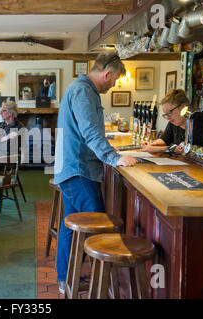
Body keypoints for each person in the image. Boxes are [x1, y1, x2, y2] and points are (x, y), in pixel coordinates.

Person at [53, 52, 137, 294]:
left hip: (72, 169)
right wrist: (114, 158)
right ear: (107, 74)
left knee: (71, 227)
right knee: (99, 228)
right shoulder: (83, 91)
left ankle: (66, 279)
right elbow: (90, 131)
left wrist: (110, 153)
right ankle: (102, 287)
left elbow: (87, 132)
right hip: (79, 171)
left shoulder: (81, 89)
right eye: (115, 80)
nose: (114, 85)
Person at [141, 89, 188, 153]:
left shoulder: (195, 124)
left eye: (170, 112)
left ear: (183, 107)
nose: (168, 118)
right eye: (166, 114)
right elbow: (164, 140)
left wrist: (156, 149)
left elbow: (184, 149)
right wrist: (151, 144)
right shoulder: (173, 123)